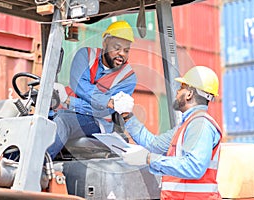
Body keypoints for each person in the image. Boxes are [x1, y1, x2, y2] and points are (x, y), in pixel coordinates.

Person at [119, 66, 223, 200]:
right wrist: (127, 114)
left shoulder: (200, 124)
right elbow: (154, 145)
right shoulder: (187, 125)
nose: (177, 92)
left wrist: (149, 158)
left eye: (181, 88)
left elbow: (194, 167)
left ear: (189, 94)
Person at [48, 21, 137, 159]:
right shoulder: (85, 55)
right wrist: (106, 100)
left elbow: (104, 110)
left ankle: (36, 169)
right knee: (36, 121)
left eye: (126, 50)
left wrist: (68, 101)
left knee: (63, 121)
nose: (121, 54)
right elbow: (79, 85)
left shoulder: (128, 78)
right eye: (117, 48)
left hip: (97, 122)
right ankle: (12, 166)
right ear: (105, 44)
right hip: (64, 110)